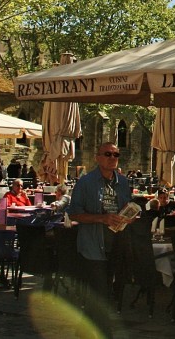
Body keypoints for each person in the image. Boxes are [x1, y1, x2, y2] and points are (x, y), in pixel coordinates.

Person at [67, 142, 134, 339]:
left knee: (101, 293)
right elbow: (74, 214)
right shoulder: (86, 183)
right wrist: (101, 218)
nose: (112, 157)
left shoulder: (122, 182)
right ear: (98, 157)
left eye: (116, 154)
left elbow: (126, 206)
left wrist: (128, 216)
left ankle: (83, 331)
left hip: (115, 244)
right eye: (108, 154)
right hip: (93, 246)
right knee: (101, 294)